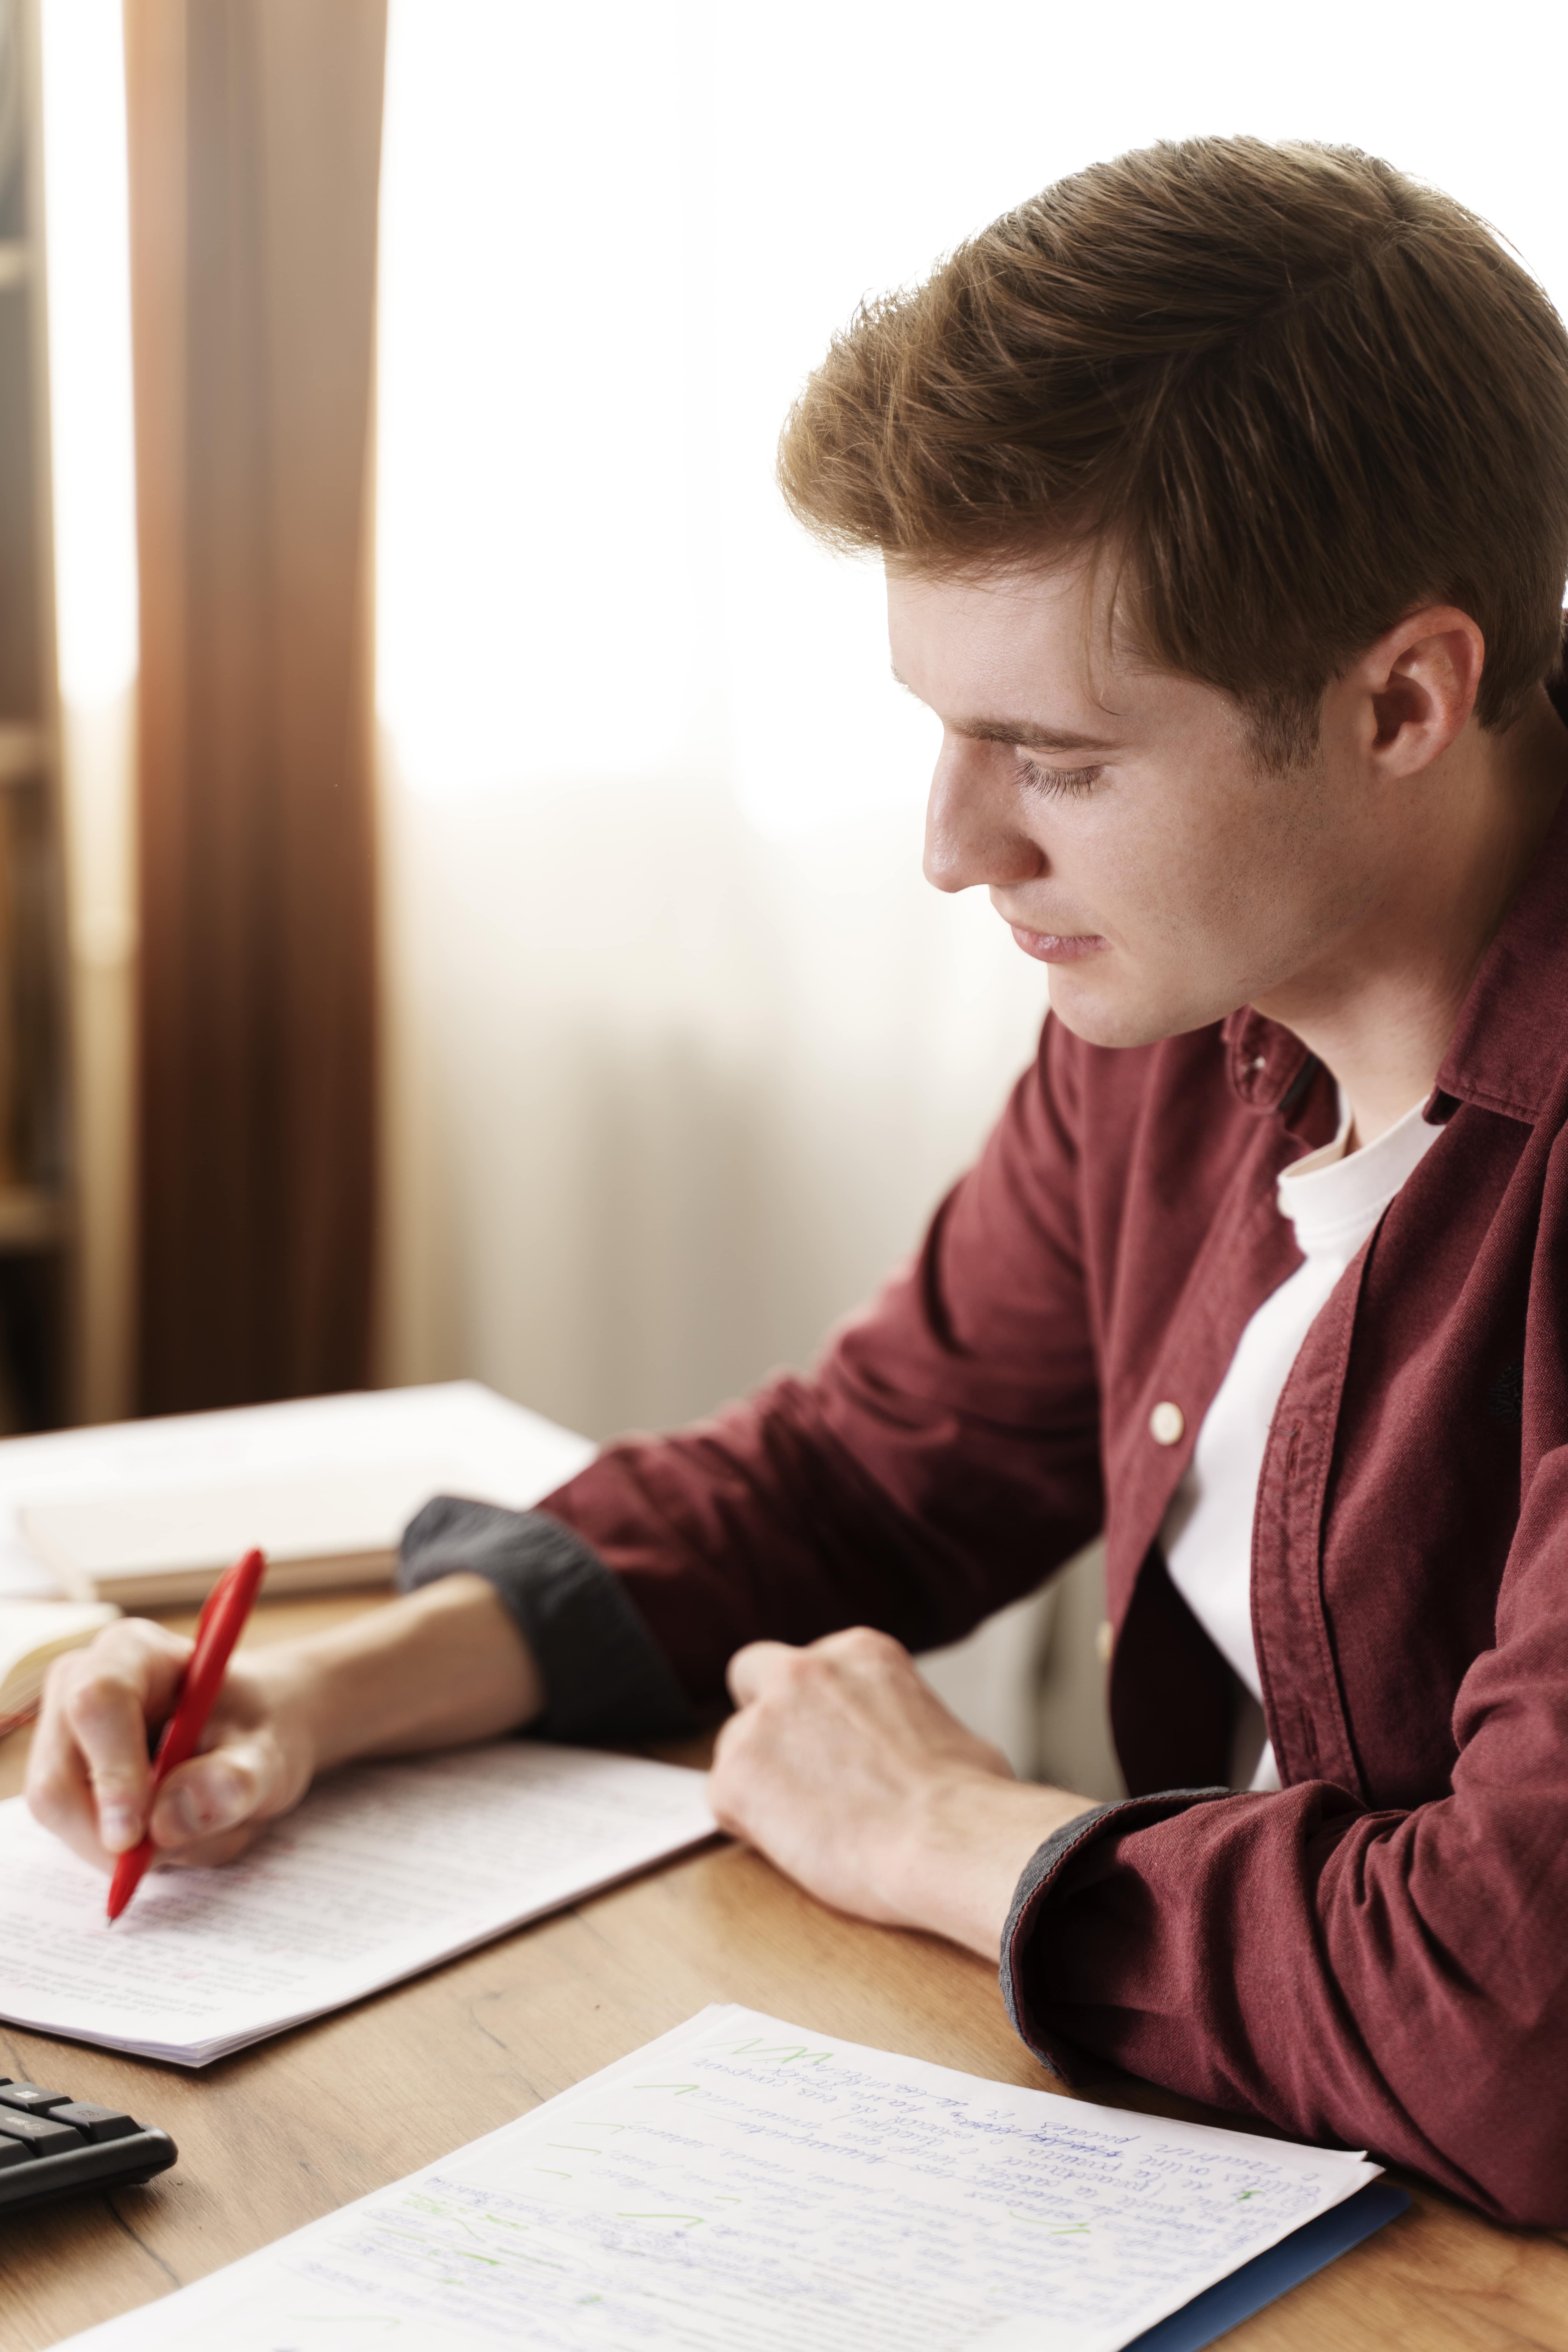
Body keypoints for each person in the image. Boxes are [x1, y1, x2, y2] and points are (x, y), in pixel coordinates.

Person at [28, 136, 1568, 2226]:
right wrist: (312, 1698)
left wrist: (942, 1832)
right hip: (1283, 2159)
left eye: (1060, 760)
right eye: (940, 730)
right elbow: (870, 1471)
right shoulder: (1181, 1012)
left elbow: (1517, 2019)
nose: (953, 848)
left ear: (1402, 700)